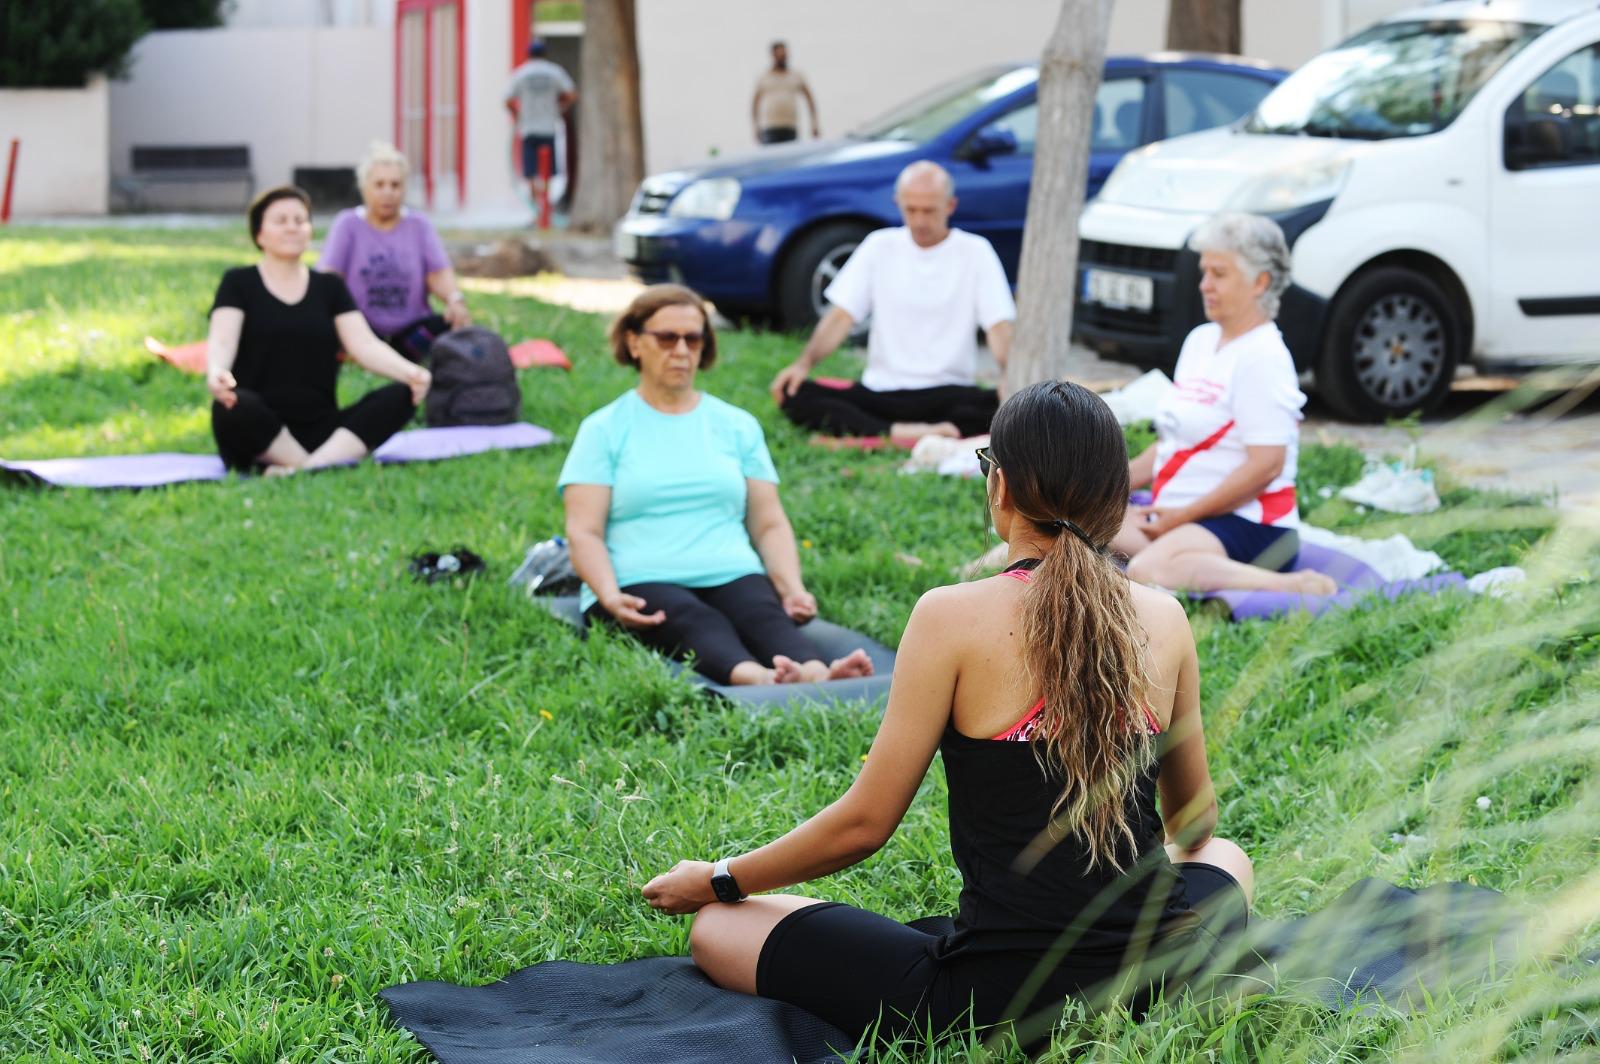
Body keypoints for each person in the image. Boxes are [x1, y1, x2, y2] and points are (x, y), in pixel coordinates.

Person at [642, 380, 1253, 1047]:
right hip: (1156, 973)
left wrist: (718, 878)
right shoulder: (1164, 616)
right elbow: (1195, 824)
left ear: (1002, 488)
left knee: (719, 926)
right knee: (1225, 855)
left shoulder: (949, 616)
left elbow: (864, 826)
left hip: (993, 1000)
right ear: (1116, 498)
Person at [560, 284, 874, 686]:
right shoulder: (603, 429)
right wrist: (607, 593)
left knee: (761, 613)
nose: (681, 350)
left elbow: (769, 522)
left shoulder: (736, 425)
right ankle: (759, 679)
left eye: (693, 338)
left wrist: (791, 588)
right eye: (666, 338)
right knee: (694, 620)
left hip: (729, 568)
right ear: (634, 343)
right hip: (640, 575)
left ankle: (815, 671)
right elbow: (583, 530)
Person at [1115, 214, 1337, 595]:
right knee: (1073, 523)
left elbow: (1267, 465)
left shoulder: (1264, 356)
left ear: (1260, 282)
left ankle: (1287, 584)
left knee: (1147, 569)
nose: (1204, 285)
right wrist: (1105, 487)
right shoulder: (1201, 341)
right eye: (1204, 273)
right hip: (1177, 517)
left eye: (1219, 274)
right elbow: (1173, 443)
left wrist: (1183, 517)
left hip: (1249, 522)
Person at [770, 161, 1015, 443]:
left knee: (1009, 408)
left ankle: (878, 432)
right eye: (911, 210)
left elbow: (998, 325)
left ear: (950, 206)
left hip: (950, 393)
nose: (920, 221)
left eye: (929, 211)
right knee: (795, 393)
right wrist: (803, 364)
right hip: (881, 392)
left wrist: (1009, 376)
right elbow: (841, 316)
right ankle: (901, 434)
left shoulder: (976, 251)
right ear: (898, 203)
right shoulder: (879, 246)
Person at [206, 186, 430, 475]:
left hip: (323, 428)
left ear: (310, 231)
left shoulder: (329, 287)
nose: (292, 228)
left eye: (300, 221)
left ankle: (301, 468)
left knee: (403, 394)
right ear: (259, 234)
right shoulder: (238, 282)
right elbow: (223, 339)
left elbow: (364, 345)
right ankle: (317, 464)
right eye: (281, 221)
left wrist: (412, 373)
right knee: (230, 405)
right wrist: (217, 372)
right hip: (259, 425)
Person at [318, 142, 468, 362]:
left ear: (404, 188)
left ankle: (382, 356)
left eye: (395, 185)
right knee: (333, 330)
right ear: (364, 187)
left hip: (410, 329)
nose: (388, 192)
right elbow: (330, 277)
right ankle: (365, 351)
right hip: (361, 327)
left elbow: (438, 273)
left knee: (448, 325)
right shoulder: (347, 224)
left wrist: (455, 300)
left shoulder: (419, 224)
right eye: (379, 185)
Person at [504, 39, 577, 208]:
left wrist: (518, 115)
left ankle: (535, 206)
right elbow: (572, 94)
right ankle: (545, 205)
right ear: (545, 54)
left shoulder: (521, 73)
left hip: (528, 128)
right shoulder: (555, 72)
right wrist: (560, 108)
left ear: (528, 54)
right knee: (547, 171)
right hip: (549, 127)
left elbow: (507, 100)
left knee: (530, 172)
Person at [752, 41, 818, 145]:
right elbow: (755, 103)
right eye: (779, 53)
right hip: (771, 127)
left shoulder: (796, 76)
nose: (782, 56)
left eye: (784, 53)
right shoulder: (765, 77)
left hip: (790, 127)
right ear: (773, 55)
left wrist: (814, 124)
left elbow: (809, 99)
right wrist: (756, 127)